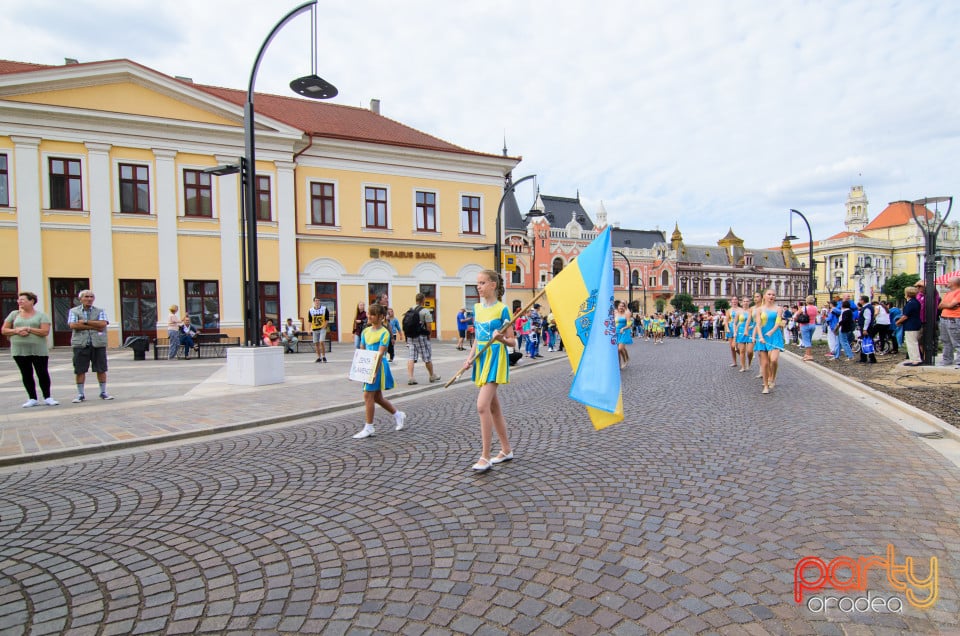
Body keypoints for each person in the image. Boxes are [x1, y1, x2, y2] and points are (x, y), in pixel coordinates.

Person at [460, 269, 515, 472]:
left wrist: (501, 338)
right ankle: (506, 449)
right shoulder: (477, 308)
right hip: (481, 358)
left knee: (482, 405)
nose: (479, 287)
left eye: (482, 283)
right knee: (493, 407)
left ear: (493, 285)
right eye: (478, 283)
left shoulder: (503, 310)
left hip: (495, 359)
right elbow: (477, 339)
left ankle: (485, 456)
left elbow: (513, 341)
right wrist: (469, 358)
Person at [352, 303, 406, 439]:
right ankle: (398, 414)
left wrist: (374, 371)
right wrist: (358, 370)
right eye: (369, 313)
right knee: (377, 397)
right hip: (368, 366)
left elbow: (380, 354)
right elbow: (362, 351)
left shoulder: (384, 333)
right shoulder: (365, 332)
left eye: (372, 314)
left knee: (367, 395)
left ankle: (369, 427)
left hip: (378, 367)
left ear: (381, 317)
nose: (369, 316)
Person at [3, 291, 58, 407]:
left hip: (38, 350)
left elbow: (44, 331)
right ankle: (32, 398)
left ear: (31, 301)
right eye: (19, 300)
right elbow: (4, 330)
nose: (19, 301)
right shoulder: (14, 314)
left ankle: (47, 397)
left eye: (22, 299)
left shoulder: (41, 315)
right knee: (26, 373)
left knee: (42, 373)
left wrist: (28, 329)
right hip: (19, 350)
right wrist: (16, 330)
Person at [67, 289, 113, 402]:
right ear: (81, 299)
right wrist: (94, 325)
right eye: (86, 297)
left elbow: (102, 324)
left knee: (101, 369)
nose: (89, 299)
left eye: (91, 297)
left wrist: (85, 322)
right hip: (80, 344)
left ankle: (103, 392)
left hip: (98, 343)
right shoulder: (74, 311)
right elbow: (73, 325)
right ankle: (80, 394)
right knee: (80, 370)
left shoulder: (100, 310)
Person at [753, 288, 784, 394]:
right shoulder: (759, 310)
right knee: (765, 363)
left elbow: (778, 322)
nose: (771, 296)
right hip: (762, 337)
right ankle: (765, 386)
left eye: (773, 295)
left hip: (775, 336)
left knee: (774, 360)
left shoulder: (778, 309)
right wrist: (760, 337)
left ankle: (772, 378)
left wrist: (771, 331)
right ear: (764, 296)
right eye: (769, 294)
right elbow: (758, 324)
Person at [405, 293, 440, 385]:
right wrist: (429, 336)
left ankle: (411, 378)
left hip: (410, 337)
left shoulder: (410, 309)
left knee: (411, 357)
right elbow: (429, 326)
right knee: (426, 356)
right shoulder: (425, 311)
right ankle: (432, 375)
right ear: (423, 300)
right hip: (421, 337)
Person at [937, 276, 960, 367]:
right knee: (945, 341)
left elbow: (951, 304)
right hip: (944, 318)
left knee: (957, 341)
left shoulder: (958, 292)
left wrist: (947, 305)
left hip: (954, 319)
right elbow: (940, 306)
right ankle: (947, 360)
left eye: (949, 281)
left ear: (954, 283)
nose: (947, 283)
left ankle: (959, 361)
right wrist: (948, 305)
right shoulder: (948, 293)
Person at [897, 287, 922, 366]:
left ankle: (915, 359)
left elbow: (905, 316)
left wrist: (898, 322)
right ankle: (913, 358)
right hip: (915, 324)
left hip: (911, 325)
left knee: (911, 342)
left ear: (907, 294)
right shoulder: (915, 302)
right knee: (912, 342)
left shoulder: (911, 303)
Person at [308, 297, 330, 363]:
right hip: (315, 328)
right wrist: (309, 329)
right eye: (316, 301)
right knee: (316, 343)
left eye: (318, 301)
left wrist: (324, 326)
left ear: (320, 301)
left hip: (322, 328)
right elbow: (310, 320)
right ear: (314, 302)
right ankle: (318, 357)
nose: (317, 302)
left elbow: (327, 319)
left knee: (321, 342)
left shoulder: (324, 309)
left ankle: (323, 356)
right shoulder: (311, 310)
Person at [796, 296, 818, 361]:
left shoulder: (804, 308)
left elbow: (796, 314)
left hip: (805, 325)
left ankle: (809, 355)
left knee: (806, 340)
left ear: (807, 301)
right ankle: (807, 354)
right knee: (809, 340)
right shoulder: (815, 308)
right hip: (813, 325)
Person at [857, 296, 877, 364]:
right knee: (865, 342)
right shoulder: (868, 307)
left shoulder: (867, 308)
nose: (859, 301)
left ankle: (871, 358)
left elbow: (867, 319)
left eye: (860, 300)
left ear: (863, 301)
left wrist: (865, 329)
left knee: (867, 342)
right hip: (867, 327)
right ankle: (864, 357)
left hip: (866, 328)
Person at [615, 300, 633, 369]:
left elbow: (629, 325)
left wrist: (623, 328)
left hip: (624, 331)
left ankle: (625, 360)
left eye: (623, 306)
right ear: (618, 307)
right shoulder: (615, 313)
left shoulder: (627, 314)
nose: (621, 307)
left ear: (625, 307)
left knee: (620, 349)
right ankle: (619, 365)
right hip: (616, 332)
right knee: (618, 349)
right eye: (620, 306)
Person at [724, 297, 741, 367]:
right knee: (732, 347)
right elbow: (726, 320)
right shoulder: (729, 310)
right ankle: (734, 362)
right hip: (730, 328)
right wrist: (727, 328)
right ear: (731, 301)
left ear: (738, 301)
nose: (734, 301)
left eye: (735, 299)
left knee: (736, 346)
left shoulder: (740, 309)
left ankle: (742, 355)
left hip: (738, 328)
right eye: (733, 299)